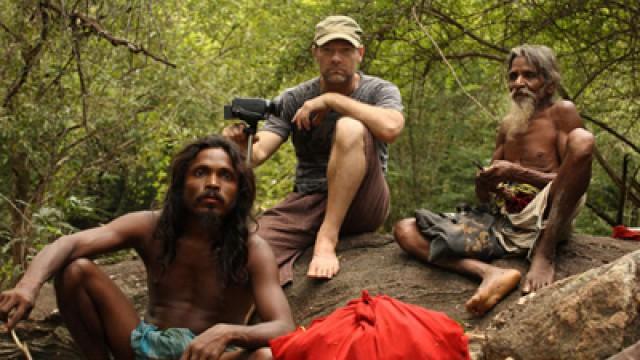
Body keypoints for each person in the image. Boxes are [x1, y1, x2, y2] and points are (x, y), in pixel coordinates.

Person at [0, 136, 295, 359]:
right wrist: (28, 285)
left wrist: (228, 332)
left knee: (264, 357)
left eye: (226, 176)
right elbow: (70, 242)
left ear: (239, 191)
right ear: (182, 183)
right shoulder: (149, 226)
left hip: (209, 356)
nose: (213, 183)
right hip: (145, 345)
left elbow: (283, 326)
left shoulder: (252, 250)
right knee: (75, 270)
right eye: (201, 172)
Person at [393, 44, 595, 316]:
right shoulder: (507, 126)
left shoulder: (561, 112)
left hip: (547, 214)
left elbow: (572, 177)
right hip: (505, 225)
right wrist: (486, 181)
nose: (518, 83)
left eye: (529, 75)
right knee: (405, 229)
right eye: (513, 76)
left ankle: (545, 252)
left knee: (583, 140)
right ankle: (490, 273)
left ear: (548, 83)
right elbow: (484, 198)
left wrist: (516, 172)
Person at [224, 15, 404, 284]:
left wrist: (331, 100)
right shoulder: (295, 98)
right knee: (245, 248)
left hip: (364, 200)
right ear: (315, 54)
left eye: (345, 50)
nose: (336, 58)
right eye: (328, 50)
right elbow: (259, 153)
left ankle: (327, 237)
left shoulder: (379, 90)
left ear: (360, 54)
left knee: (350, 127)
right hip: (309, 201)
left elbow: (391, 128)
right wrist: (239, 146)